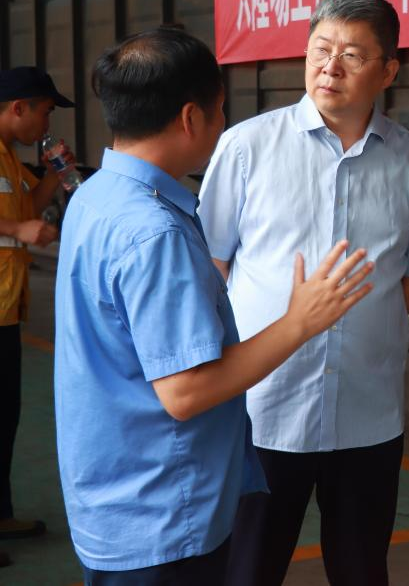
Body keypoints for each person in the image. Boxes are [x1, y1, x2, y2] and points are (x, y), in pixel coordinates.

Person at [55, 28, 375, 585]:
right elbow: (185, 392)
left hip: (113, 498)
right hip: (161, 514)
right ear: (190, 117)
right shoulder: (155, 233)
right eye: (220, 109)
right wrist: (301, 322)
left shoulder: (96, 196)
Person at [199, 0, 409, 586]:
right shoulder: (248, 147)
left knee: (362, 570)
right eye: (320, 49)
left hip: (368, 415)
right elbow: (210, 268)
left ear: (387, 71)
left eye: (352, 55)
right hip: (266, 411)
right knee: (247, 570)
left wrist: (358, 325)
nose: (330, 67)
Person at [0, 67, 73, 565]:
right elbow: (18, 223)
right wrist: (17, 230)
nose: (46, 124)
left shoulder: (10, 156)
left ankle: (0, 513)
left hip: (7, 309)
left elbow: (29, 205)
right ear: (18, 107)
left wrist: (53, 174)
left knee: (5, 416)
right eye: (44, 112)